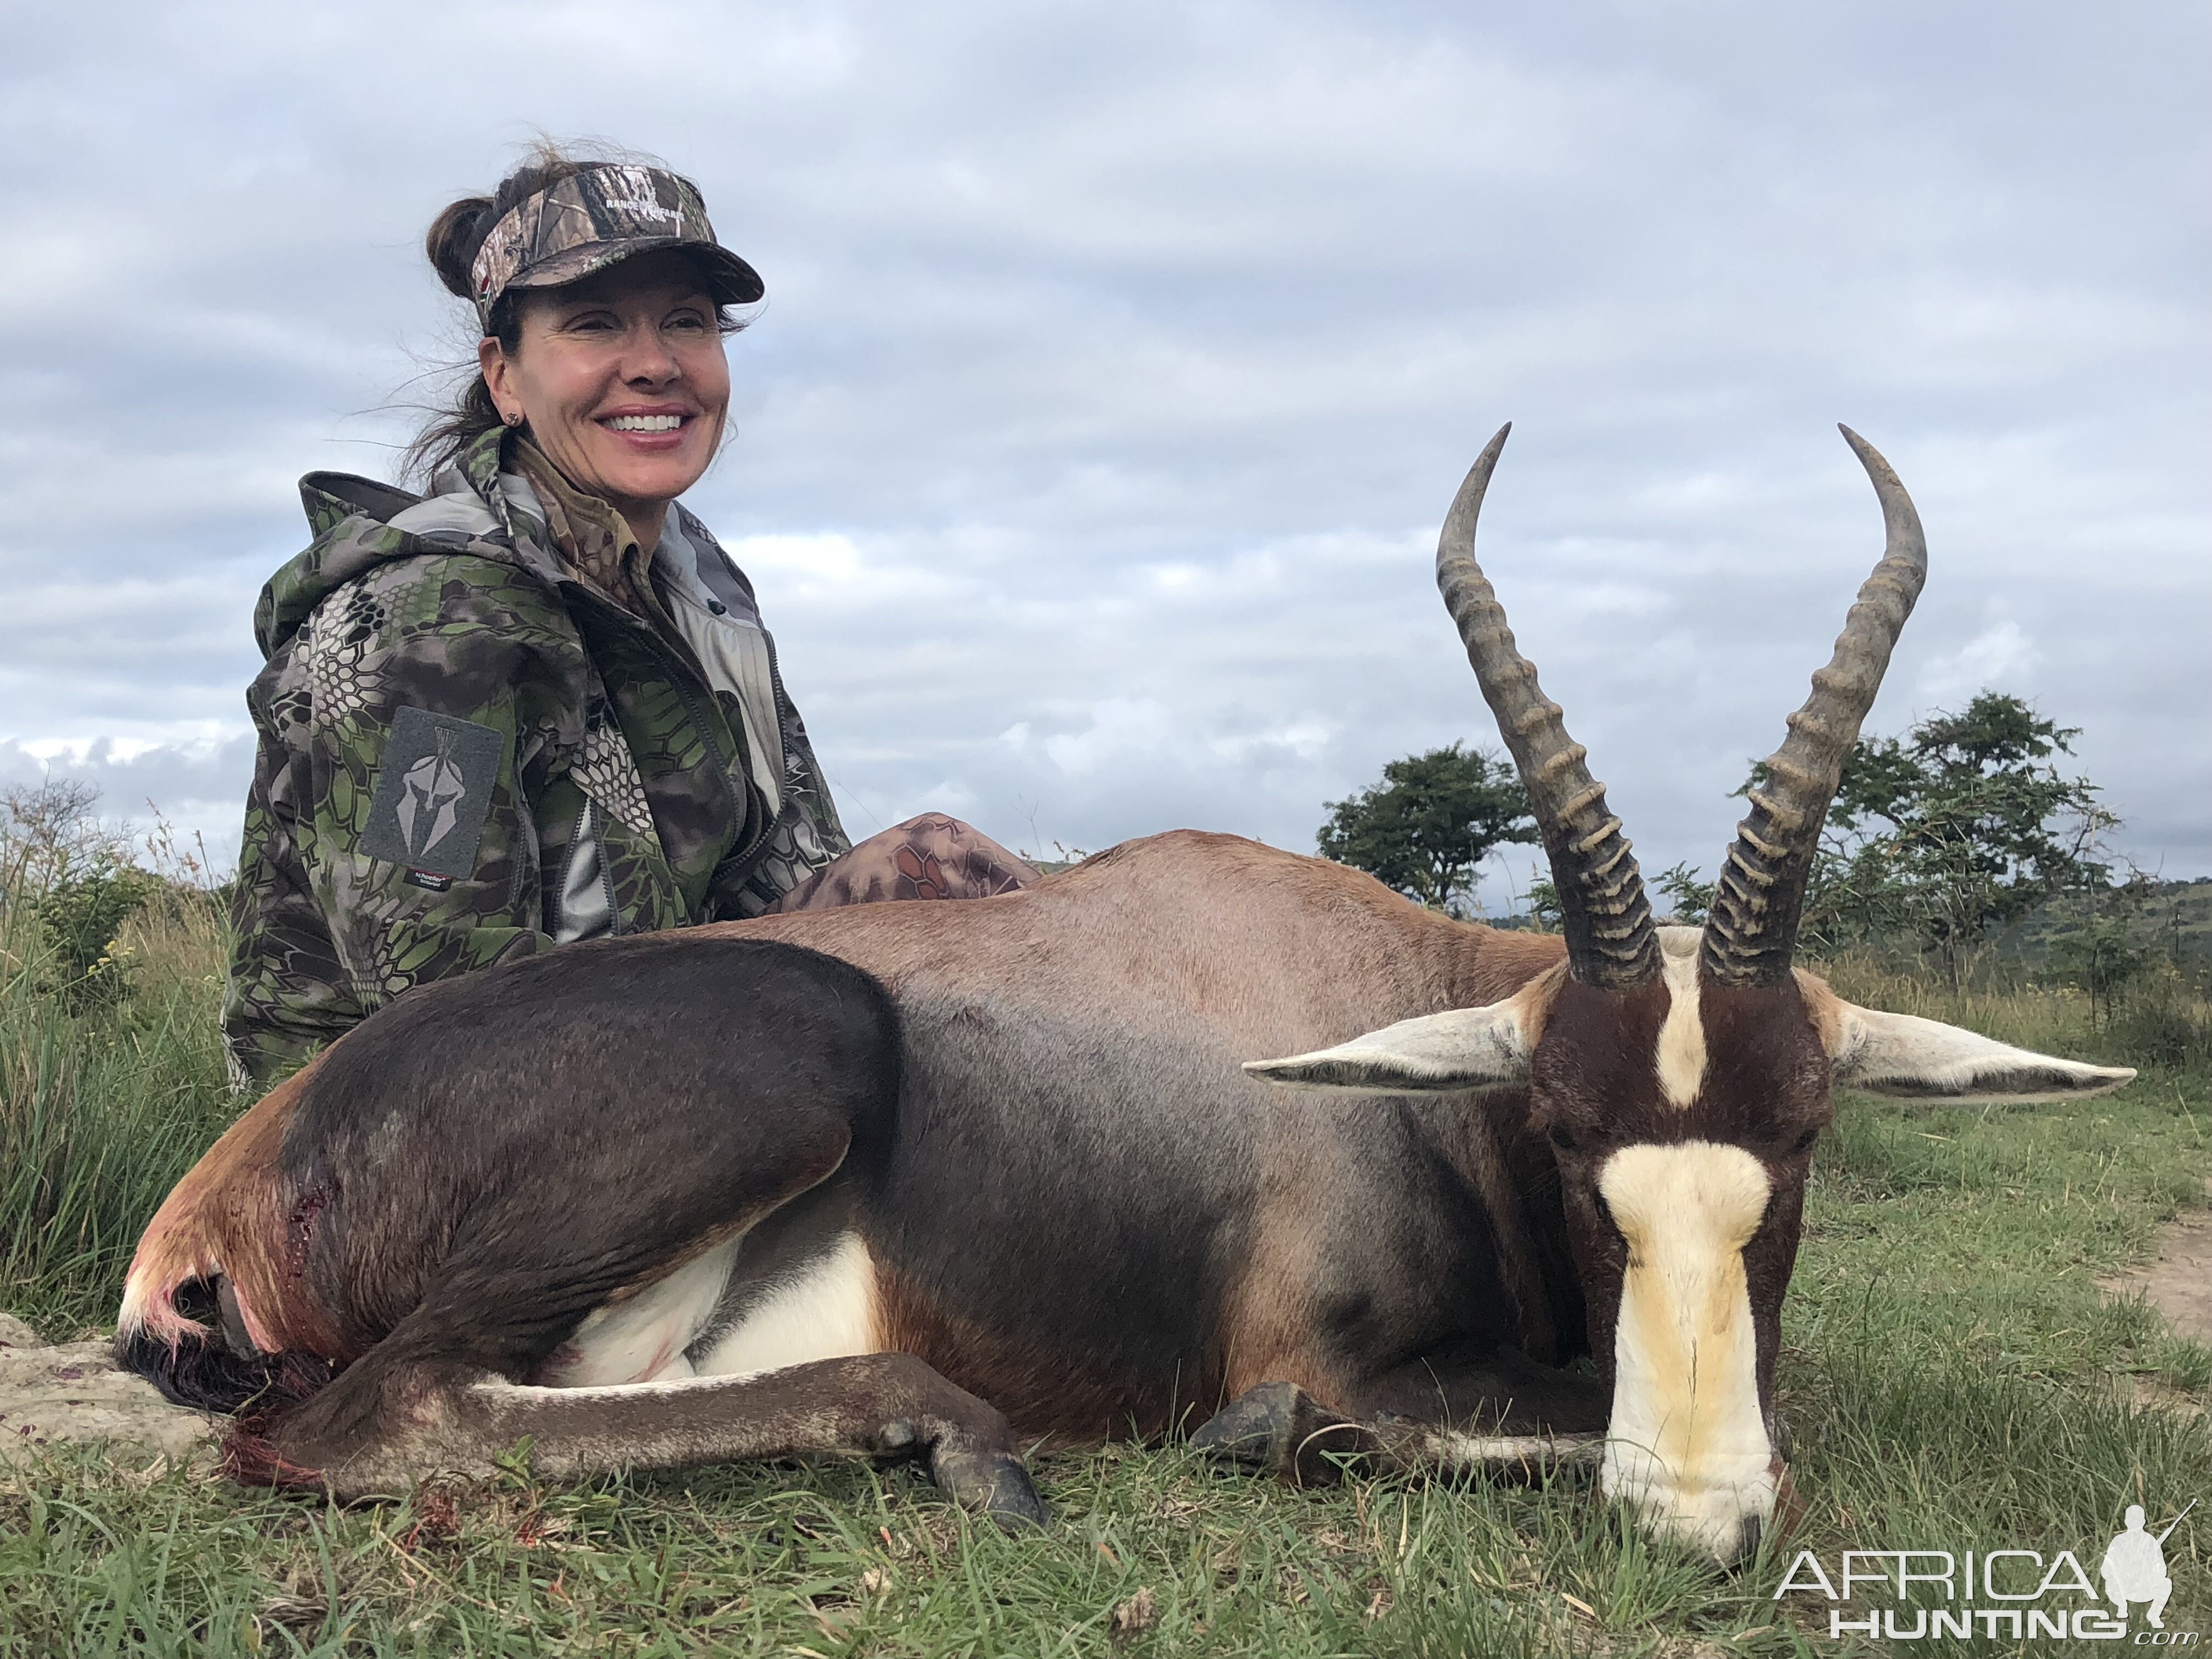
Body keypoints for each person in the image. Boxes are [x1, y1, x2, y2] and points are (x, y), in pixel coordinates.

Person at [222, 146, 1036, 1087]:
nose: (654, 366)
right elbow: (439, 1021)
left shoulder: (701, 589)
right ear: (507, 378)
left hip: (649, 1070)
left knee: (938, 872)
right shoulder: (430, 626)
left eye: (687, 323)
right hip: (396, 1159)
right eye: (595, 324)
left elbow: (792, 882)